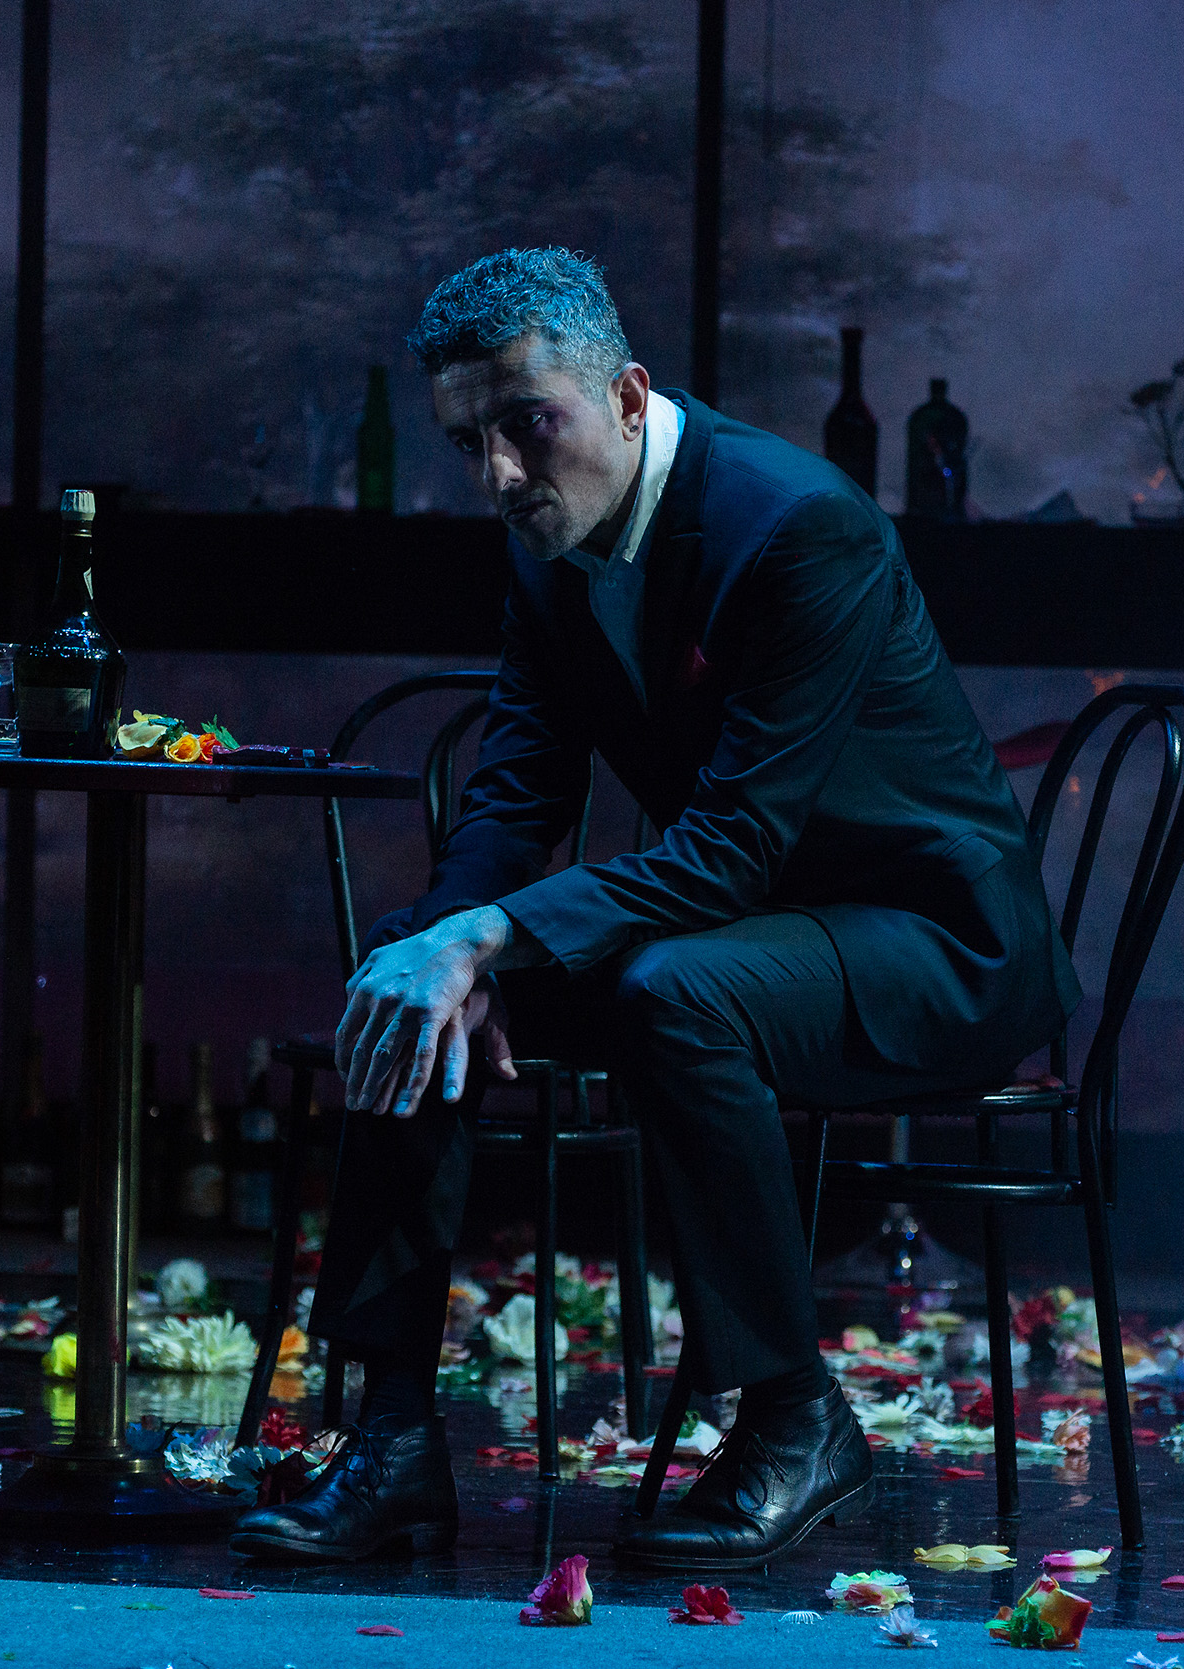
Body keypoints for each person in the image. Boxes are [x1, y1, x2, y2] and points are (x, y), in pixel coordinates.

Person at [231, 248, 1077, 1571]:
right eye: (469, 443)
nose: (500, 474)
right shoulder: (547, 545)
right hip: (744, 932)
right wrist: (452, 949)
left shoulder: (801, 526)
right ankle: (393, 1437)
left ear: (628, 396)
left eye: (530, 425)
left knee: (668, 988)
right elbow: (515, 797)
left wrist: (495, 936)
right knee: (413, 975)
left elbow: (732, 846)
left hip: (933, 940)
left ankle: (797, 1416)